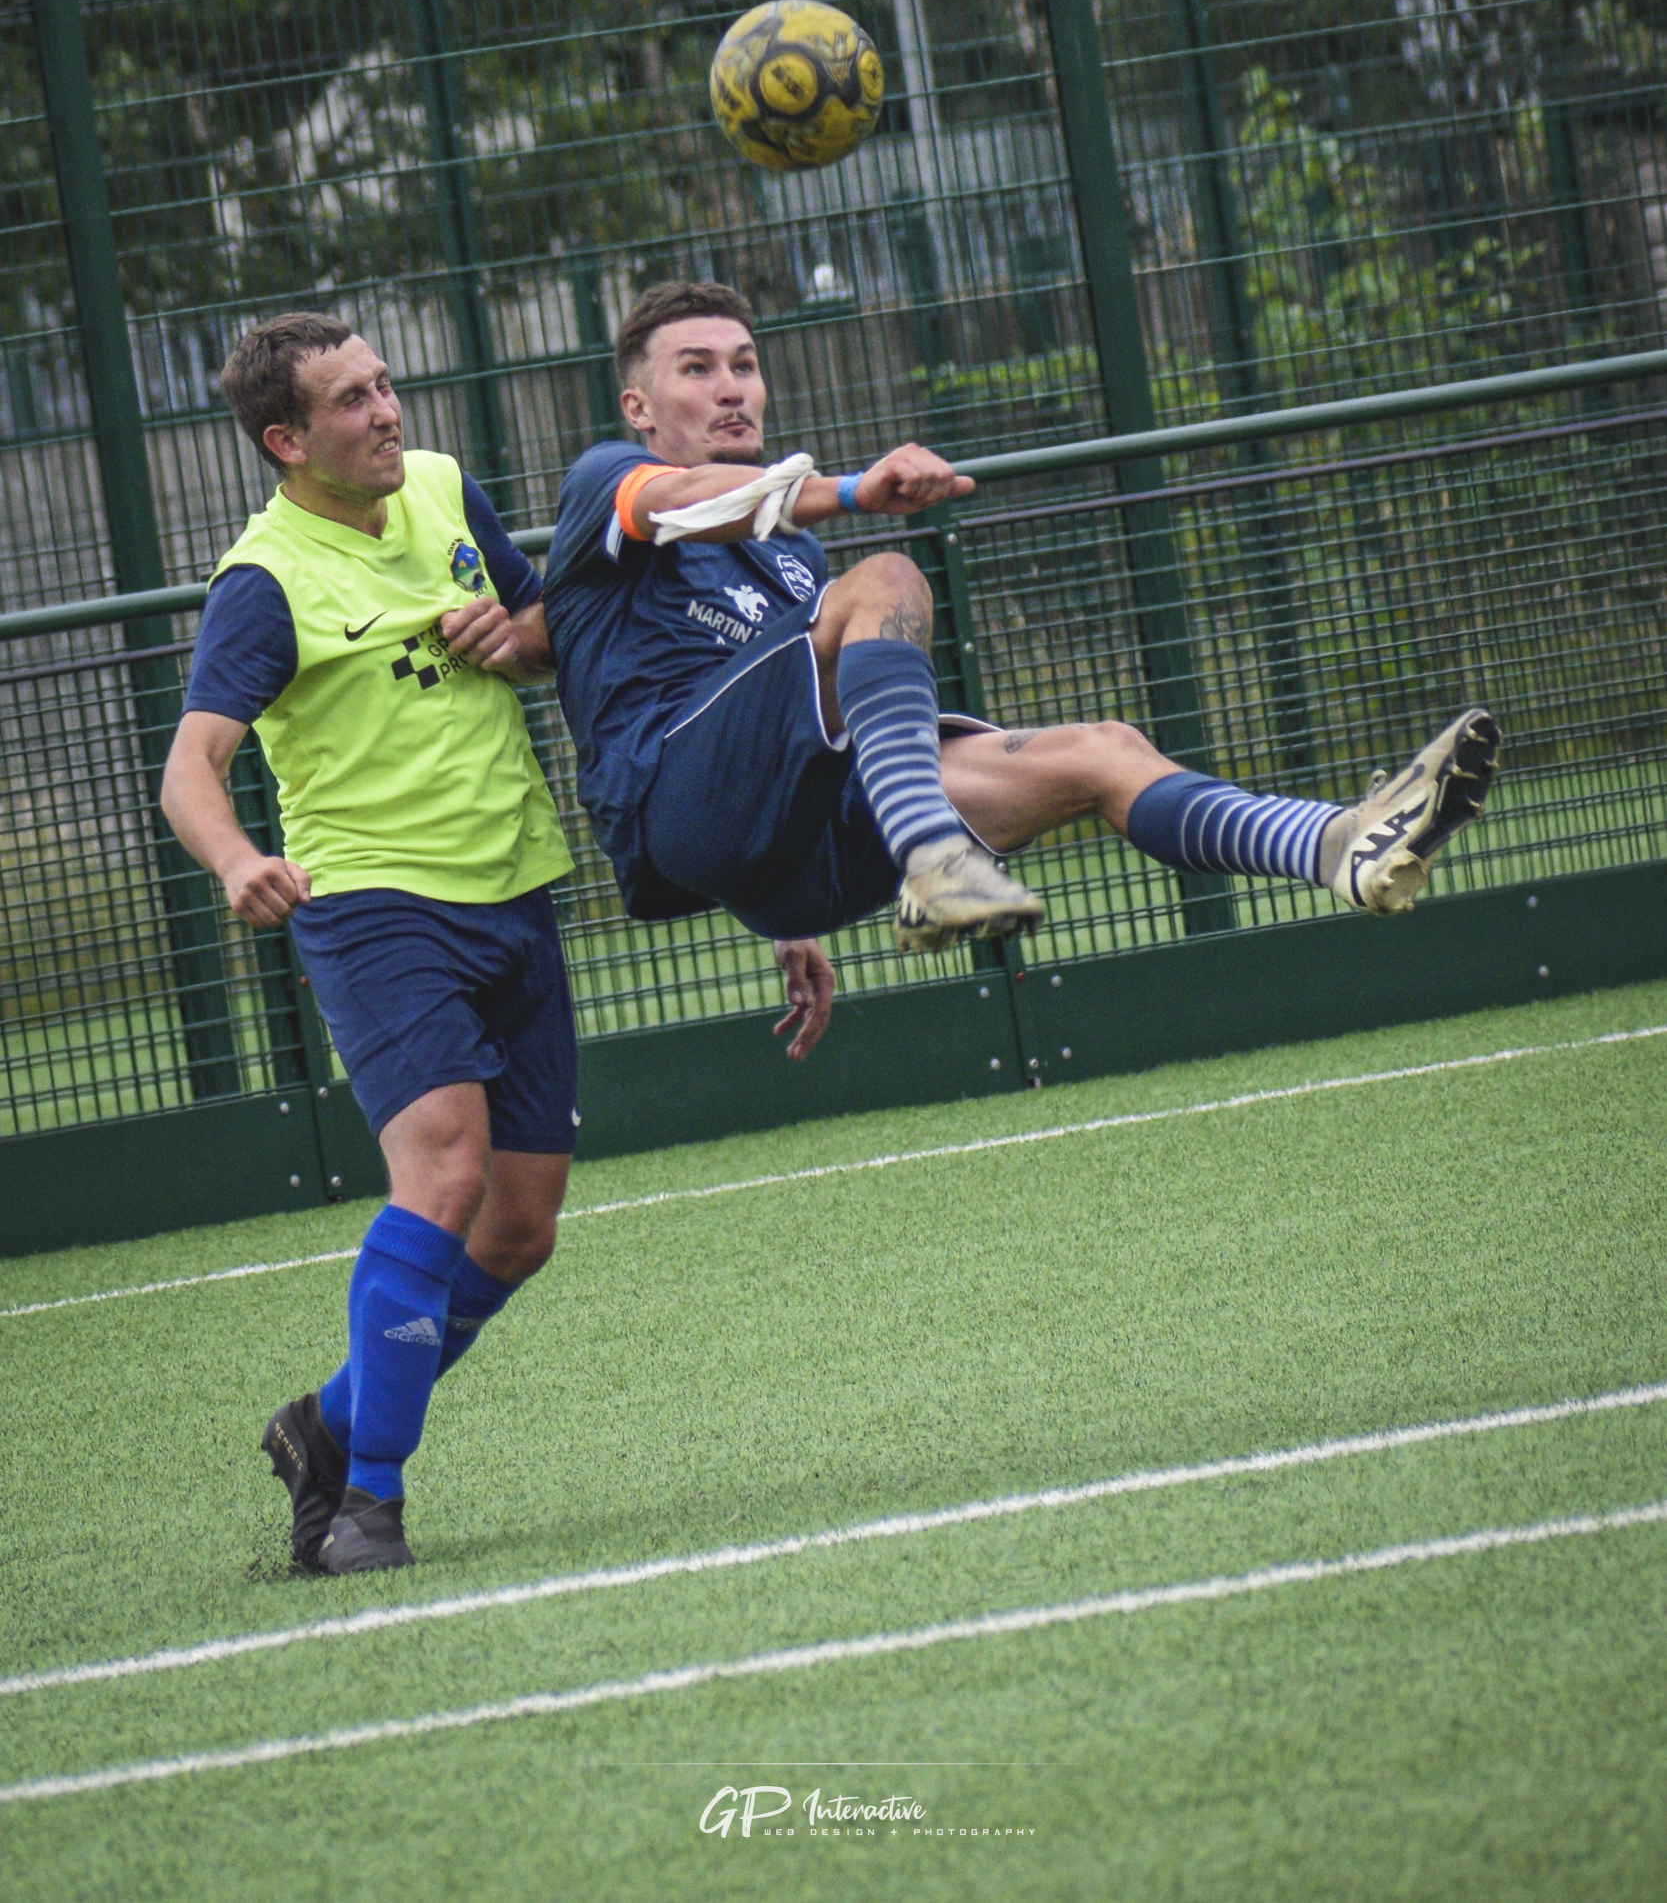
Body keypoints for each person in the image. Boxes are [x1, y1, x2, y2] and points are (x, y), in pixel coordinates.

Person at [542, 279, 1501, 1048]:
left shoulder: (791, 555)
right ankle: (933, 855)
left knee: (1102, 749)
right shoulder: (606, 482)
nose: (730, 387)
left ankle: (1335, 844)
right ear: (639, 404)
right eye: (697, 368)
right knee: (885, 575)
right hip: (670, 806)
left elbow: (785, 710)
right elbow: (691, 502)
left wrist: (785, 914)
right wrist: (845, 489)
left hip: (790, 848)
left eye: (744, 366)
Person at [161, 312, 575, 1578]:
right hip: (374, 905)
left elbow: (544, 621)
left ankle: (326, 1426)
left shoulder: (446, 485)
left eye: (386, 384)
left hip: (516, 886)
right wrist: (238, 862)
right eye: (352, 401)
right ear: (287, 440)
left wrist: (519, 636)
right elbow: (191, 767)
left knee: (517, 1228)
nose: (388, 411)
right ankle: (366, 1507)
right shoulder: (264, 581)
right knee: (441, 1176)